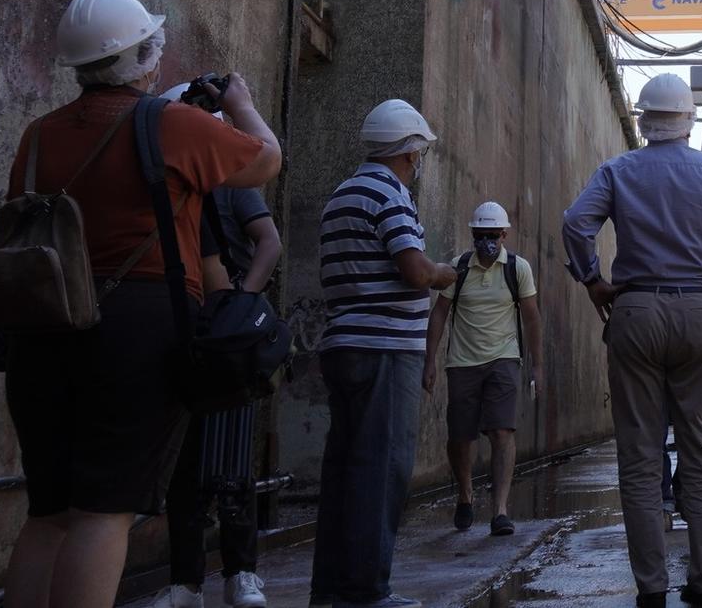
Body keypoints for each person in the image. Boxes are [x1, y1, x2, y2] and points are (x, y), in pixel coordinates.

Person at [0, 0, 281, 608]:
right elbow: (265, 161)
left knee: (48, 511)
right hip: (135, 323)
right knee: (105, 510)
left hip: (41, 324)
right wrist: (239, 103)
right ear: (148, 56)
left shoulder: (38, 135)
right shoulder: (168, 123)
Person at [562, 73, 702, 608]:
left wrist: (593, 281)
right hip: (698, 310)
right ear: (688, 122)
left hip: (634, 309)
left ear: (642, 121)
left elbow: (576, 223)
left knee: (639, 458)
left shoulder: (618, 171)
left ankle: (651, 588)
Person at [309, 99, 460, 608]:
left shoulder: (343, 193)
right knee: (382, 469)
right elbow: (415, 271)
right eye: (419, 155)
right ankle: (369, 591)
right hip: (385, 350)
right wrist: (444, 273)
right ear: (410, 153)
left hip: (345, 343)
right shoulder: (389, 194)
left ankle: (329, 590)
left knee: (346, 470)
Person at [152, 80, 284, 608]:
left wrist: (238, 307)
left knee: (234, 458)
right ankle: (186, 581)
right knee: (185, 463)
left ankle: (241, 572)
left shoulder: (231, 179)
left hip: (225, 332)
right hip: (182, 329)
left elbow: (268, 242)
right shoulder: (164, 175)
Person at [424, 200, 543, 537]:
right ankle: (465, 495)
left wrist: (538, 365)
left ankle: (501, 510)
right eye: (481, 235)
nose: (487, 241)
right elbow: (439, 314)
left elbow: (532, 318)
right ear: (473, 234)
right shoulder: (457, 269)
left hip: (504, 360)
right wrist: (429, 360)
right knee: (461, 436)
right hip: (462, 363)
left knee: (502, 431)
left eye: (493, 235)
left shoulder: (517, 269)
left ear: (504, 234)